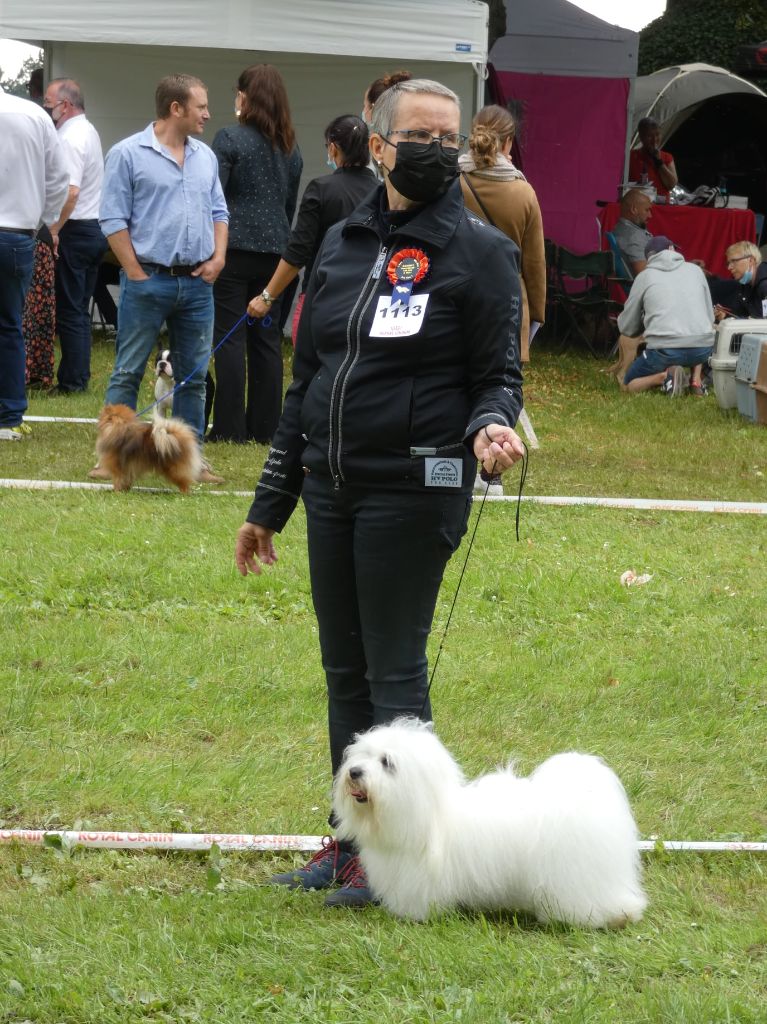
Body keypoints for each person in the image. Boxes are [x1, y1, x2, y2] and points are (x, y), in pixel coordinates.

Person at [234, 78, 525, 909]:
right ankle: (351, 844)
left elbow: (497, 377)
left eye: (448, 136)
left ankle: (408, 860)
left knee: (393, 674)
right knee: (343, 671)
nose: (436, 148)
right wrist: (269, 503)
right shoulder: (341, 241)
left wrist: (489, 427)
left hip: (415, 486)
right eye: (420, 135)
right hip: (332, 487)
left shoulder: (480, 251)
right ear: (379, 144)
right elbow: (308, 381)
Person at [94, 73, 228, 483]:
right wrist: (136, 273)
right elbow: (112, 218)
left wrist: (218, 258)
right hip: (148, 279)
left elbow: (219, 211)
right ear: (175, 108)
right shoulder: (127, 154)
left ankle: (191, 462)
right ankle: (111, 460)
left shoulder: (206, 156)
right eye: (201, 106)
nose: (208, 113)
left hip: (198, 283)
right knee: (128, 371)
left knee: (194, 376)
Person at [207, 64, 303, 444]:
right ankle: (266, 427)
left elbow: (213, 196)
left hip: (232, 250)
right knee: (266, 339)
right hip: (275, 253)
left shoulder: (229, 138)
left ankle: (230, 428)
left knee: (229, 338)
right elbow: (289, 204)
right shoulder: (290, 147)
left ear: (245, 97)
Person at [246, 115, 376, 343]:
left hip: (322, 298)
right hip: (368, 300)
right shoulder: (381, 192)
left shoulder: (321, 189)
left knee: (310, 362)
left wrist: (267, 297)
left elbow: (298, 251)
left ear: (333, 148)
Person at [0, 84, 69, 441]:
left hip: (18, 230)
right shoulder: (33, 115)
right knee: (9, 325)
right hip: (17, 232)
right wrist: (41, 220)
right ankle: (8, 416)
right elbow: (59, 178)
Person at [43, 78, 108, 394]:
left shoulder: (69, 137)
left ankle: (72, 382)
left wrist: (54, 228)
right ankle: (76, 376)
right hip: (93, 227)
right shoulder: (88, 130)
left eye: (48, 103)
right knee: (78, 310)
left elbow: (70, 191)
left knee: (70, 311)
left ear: (65, 105)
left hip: (76, 228)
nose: (45, 108)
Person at [619, 236, 715, 397]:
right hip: (702, 351)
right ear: (672, 249)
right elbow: (709, 317)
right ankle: (695, 380)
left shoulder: (644, 276)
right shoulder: (696, 271)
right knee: (696, 328)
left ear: (649, 258)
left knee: (628, 384)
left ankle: (663, 377)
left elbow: (627, 327)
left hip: (664, 351)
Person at [23, 226, 57, 389]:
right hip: (39, 240)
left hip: (31, 241)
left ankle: (25, 373)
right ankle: (35, 373)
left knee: (27, 313)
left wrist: (55, 230)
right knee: (37, 312)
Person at [713, 241, 767, 321]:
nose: (729, 267)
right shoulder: (745, 285)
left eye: (734, 261)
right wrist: (725, 316)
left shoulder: (765, 285)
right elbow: (748, 318)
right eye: (728, 263)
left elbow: (763, 323)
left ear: (751, 260)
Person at [628, 117, 678, 199]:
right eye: (649, 136)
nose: (654, 140)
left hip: (661, 204)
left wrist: (659, 161)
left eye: (657, 134)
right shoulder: (631, 156)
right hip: (638, 204)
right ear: (641, 137)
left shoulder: (667, 157)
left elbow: (671, 185)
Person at [612, 189, 653, 278]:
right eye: (647, 210)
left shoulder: (620, 227)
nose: (650, 215)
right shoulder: (633, 237)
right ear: (634, 210)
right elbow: (645, 277)